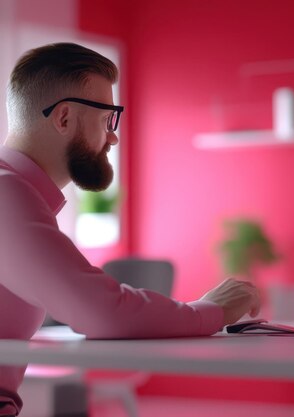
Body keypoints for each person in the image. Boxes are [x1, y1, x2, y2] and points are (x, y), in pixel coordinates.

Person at [0, 43, 261, 416]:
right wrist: (212, 309)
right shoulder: (6, 193)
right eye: (108, 120)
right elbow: (101, 311)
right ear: (63, 118)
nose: (113, 137)